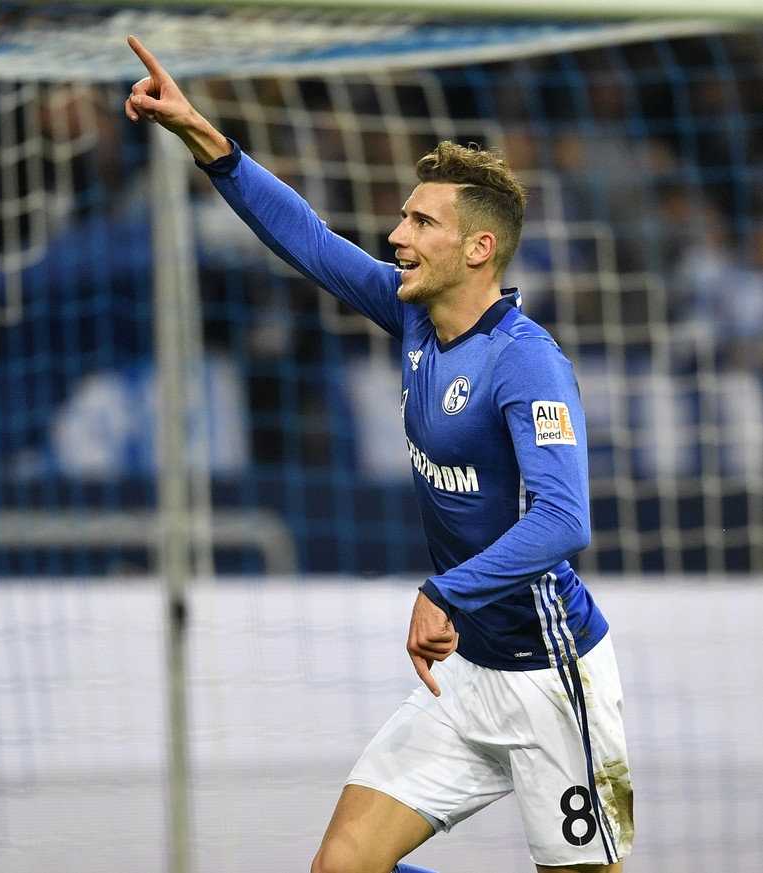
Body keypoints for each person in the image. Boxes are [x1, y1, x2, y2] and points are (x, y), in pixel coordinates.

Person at [124, 35, 634, 873]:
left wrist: (445, 590)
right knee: (339, 867)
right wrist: (203, 138)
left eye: (419, 221)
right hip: (467, 673)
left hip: (558, 676)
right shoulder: (410, 318)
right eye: (401, 216)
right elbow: (309, 240)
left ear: (479, 249)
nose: (395, 234)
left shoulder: (526, 361)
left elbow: (563, 517)